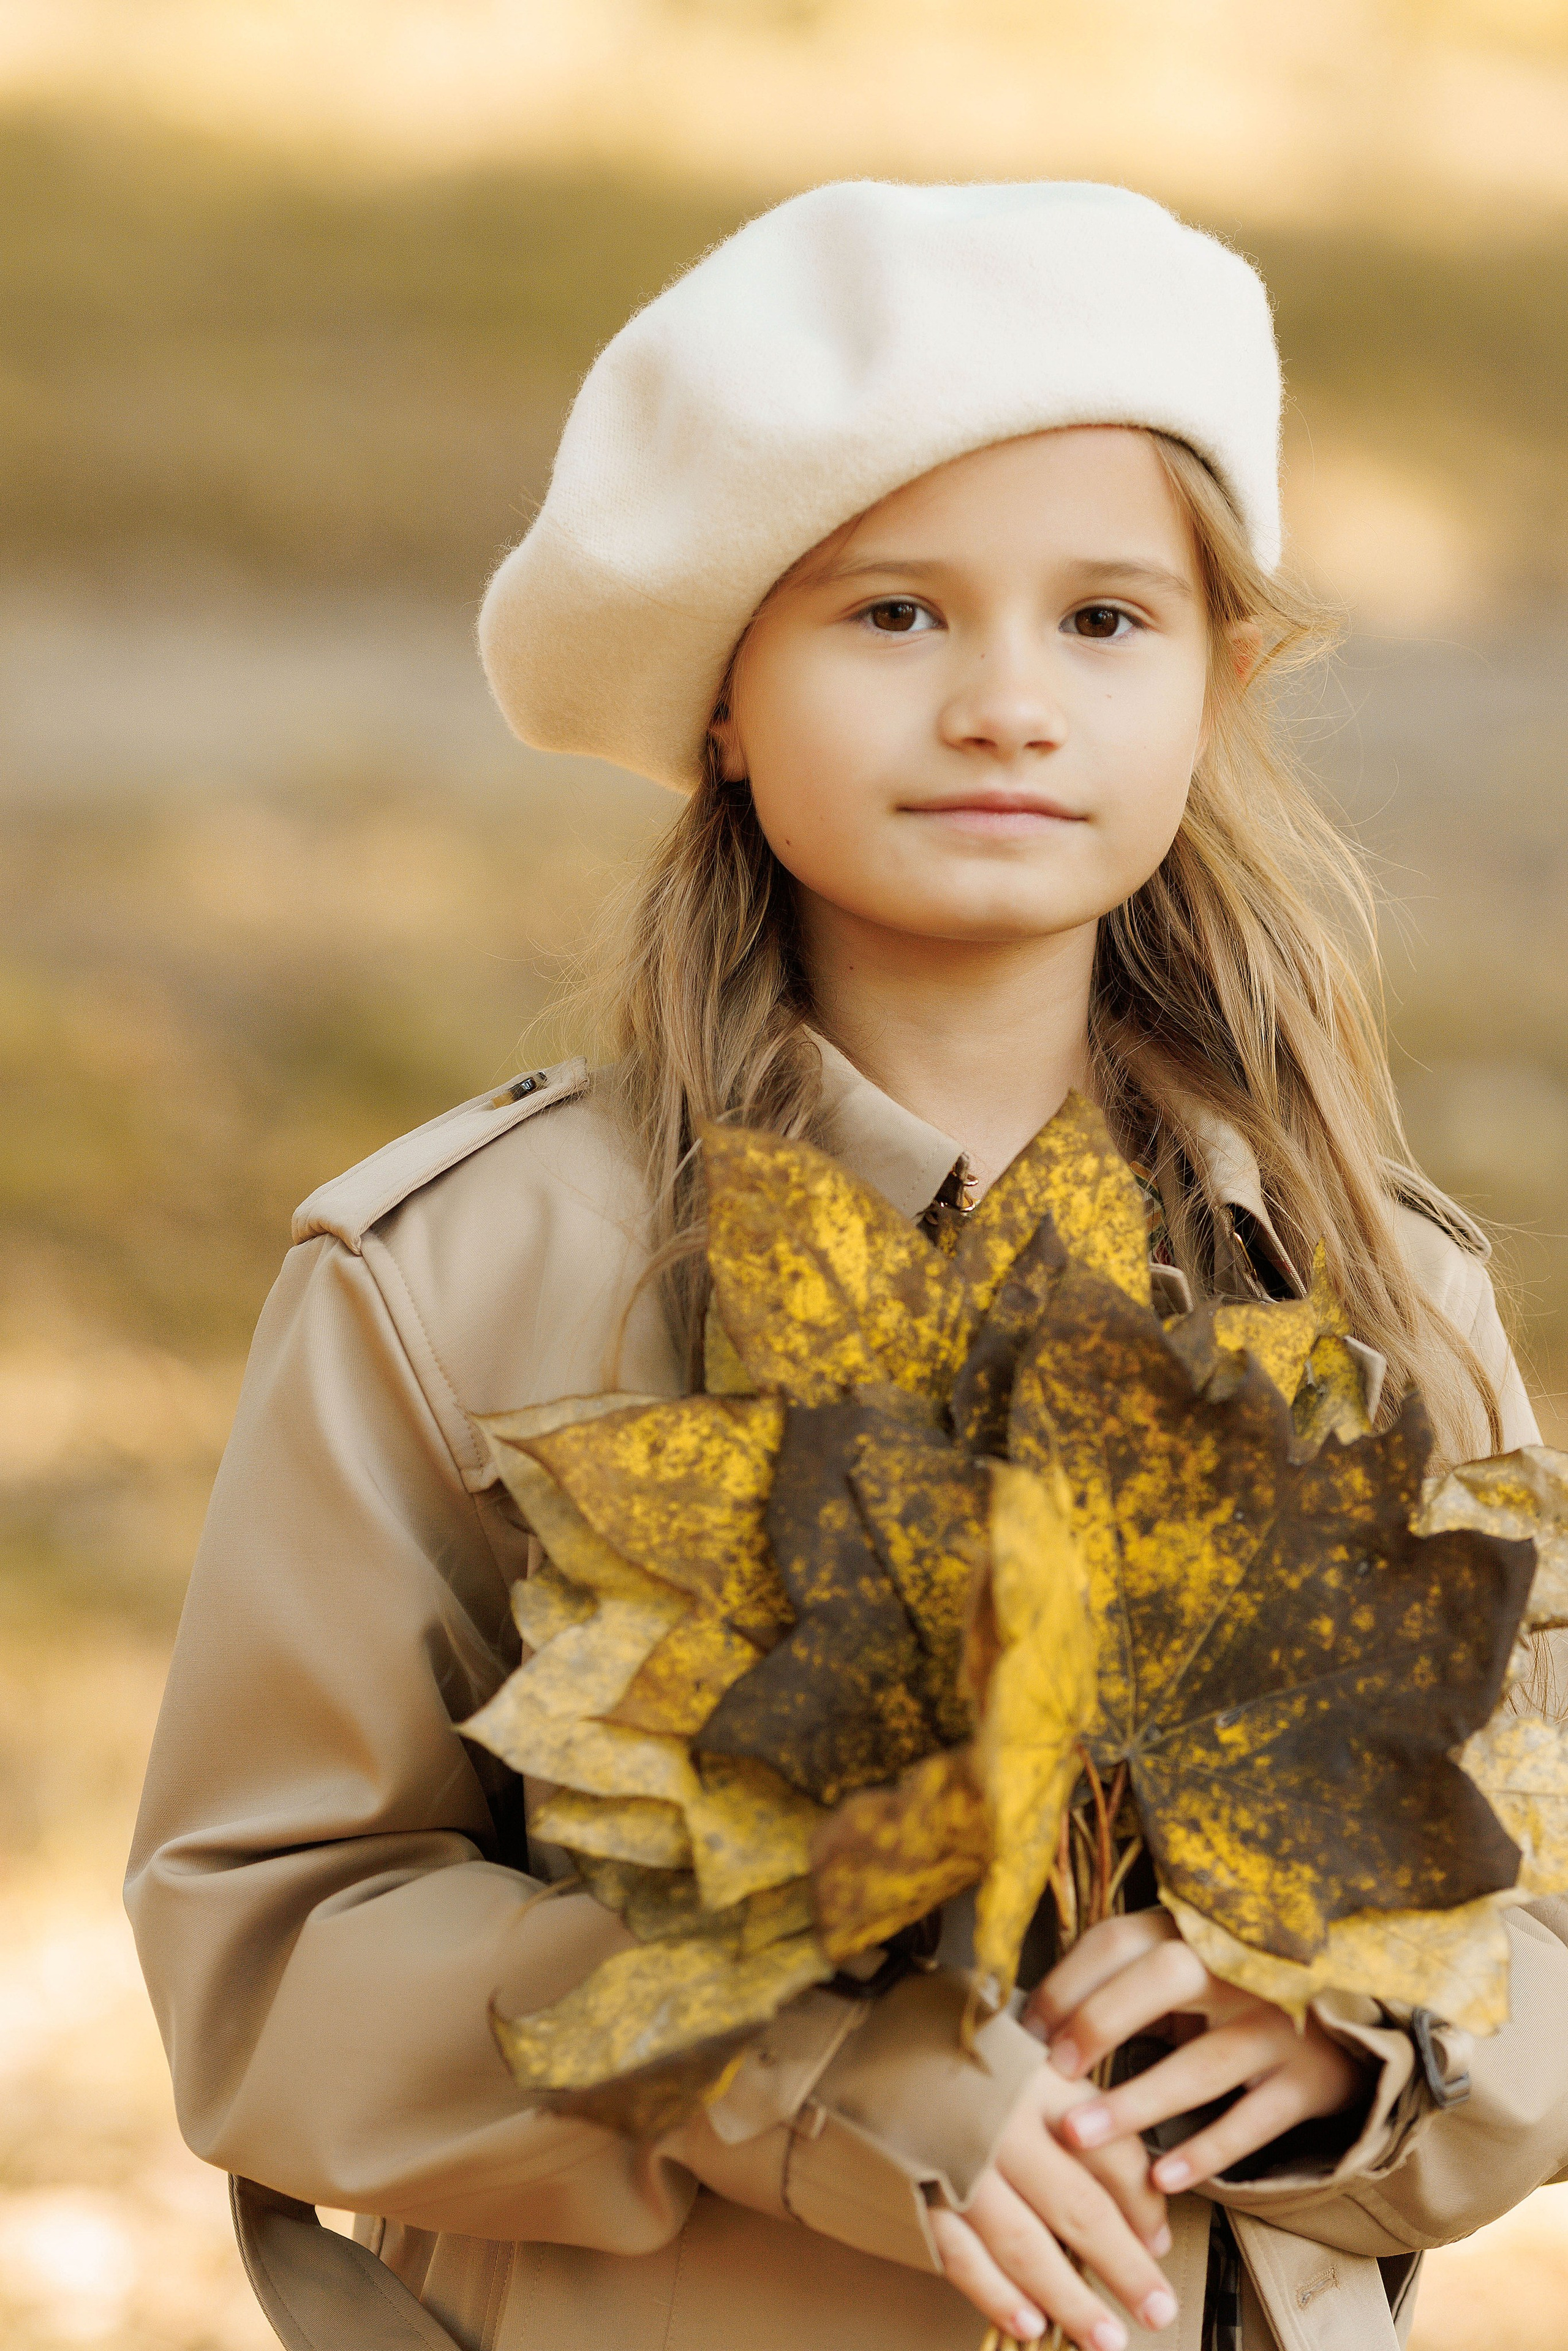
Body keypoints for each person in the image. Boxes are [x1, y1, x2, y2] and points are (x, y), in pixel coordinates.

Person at [127, 181, 1564, 2351]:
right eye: (893, 617)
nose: (1005, 703)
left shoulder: (1368, 1290)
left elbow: (1536, 1891)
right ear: (721, 696)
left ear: (1220, 679)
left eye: (1104, 619)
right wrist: (796, 2076)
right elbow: (272, 1949)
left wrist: (1370, 2035)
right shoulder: (467, 1282)